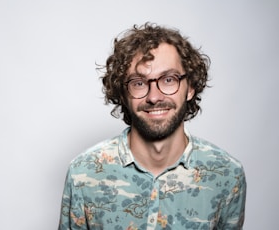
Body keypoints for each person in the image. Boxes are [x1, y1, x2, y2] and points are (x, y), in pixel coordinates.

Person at [58, 23, 246, 229]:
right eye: (139, 83)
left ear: (190, 87)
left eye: (168, 79)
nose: (154, 97)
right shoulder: (84, 172)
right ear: (123, 93)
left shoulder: (227, 174)